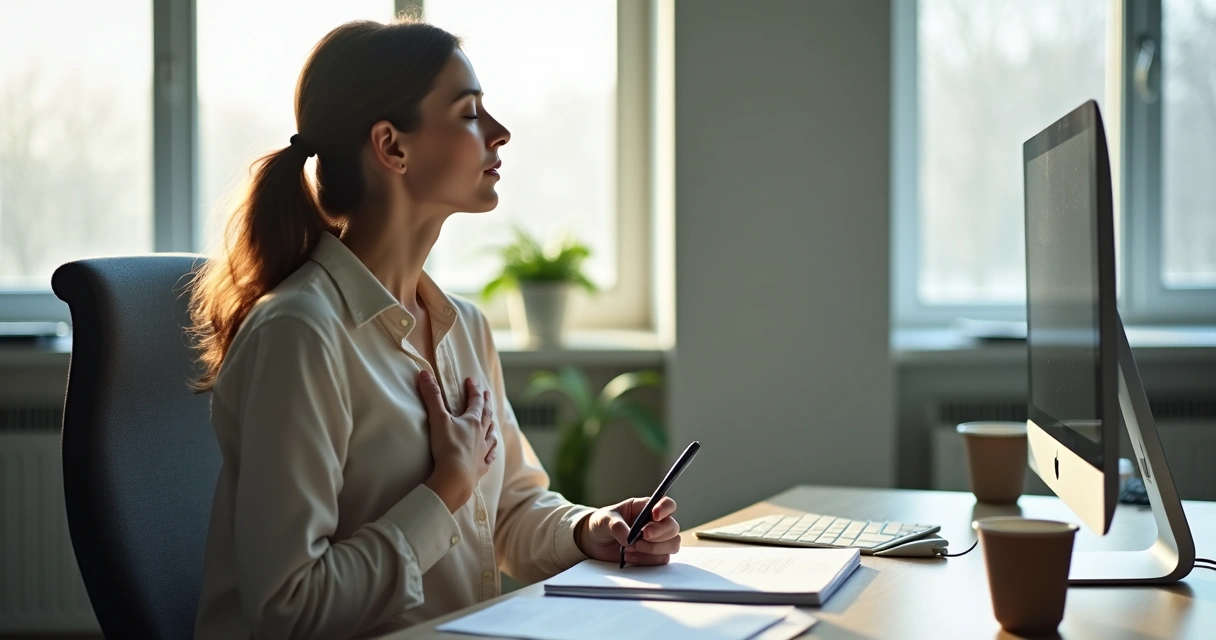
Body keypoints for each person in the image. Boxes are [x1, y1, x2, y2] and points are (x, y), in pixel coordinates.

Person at [187, 17, 680, 640]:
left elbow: (508, 513)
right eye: (470, 113)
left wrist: (594, 529)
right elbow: (291, 610)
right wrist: (445, 488)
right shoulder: (299, 335)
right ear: (392, 146)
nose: (500, 133)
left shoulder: (464, 327)